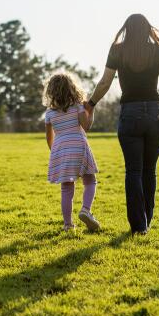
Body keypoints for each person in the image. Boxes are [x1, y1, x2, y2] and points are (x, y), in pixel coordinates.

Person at [85, 13, 159, 234]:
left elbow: (105, 81)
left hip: (130, 114)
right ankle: (147, 222)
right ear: (147, 29)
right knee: (149, 171)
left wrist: (90, 103)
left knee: (133, 171)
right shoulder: (158, 50)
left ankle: (139, 226)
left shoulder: (117, 50)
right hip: (155, 114)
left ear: (126, 29)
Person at [43, 72, 101, 232]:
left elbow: (49, 138)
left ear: (51, 92)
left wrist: (55, 153)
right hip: (78, 145)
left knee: (66, 187)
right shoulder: (77, 106)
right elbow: (87, 126)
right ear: (72, 88)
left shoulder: (49, 113)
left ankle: (68, 225)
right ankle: (86, 210)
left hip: (60, 149)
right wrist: (91, 110)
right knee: (90, 180)